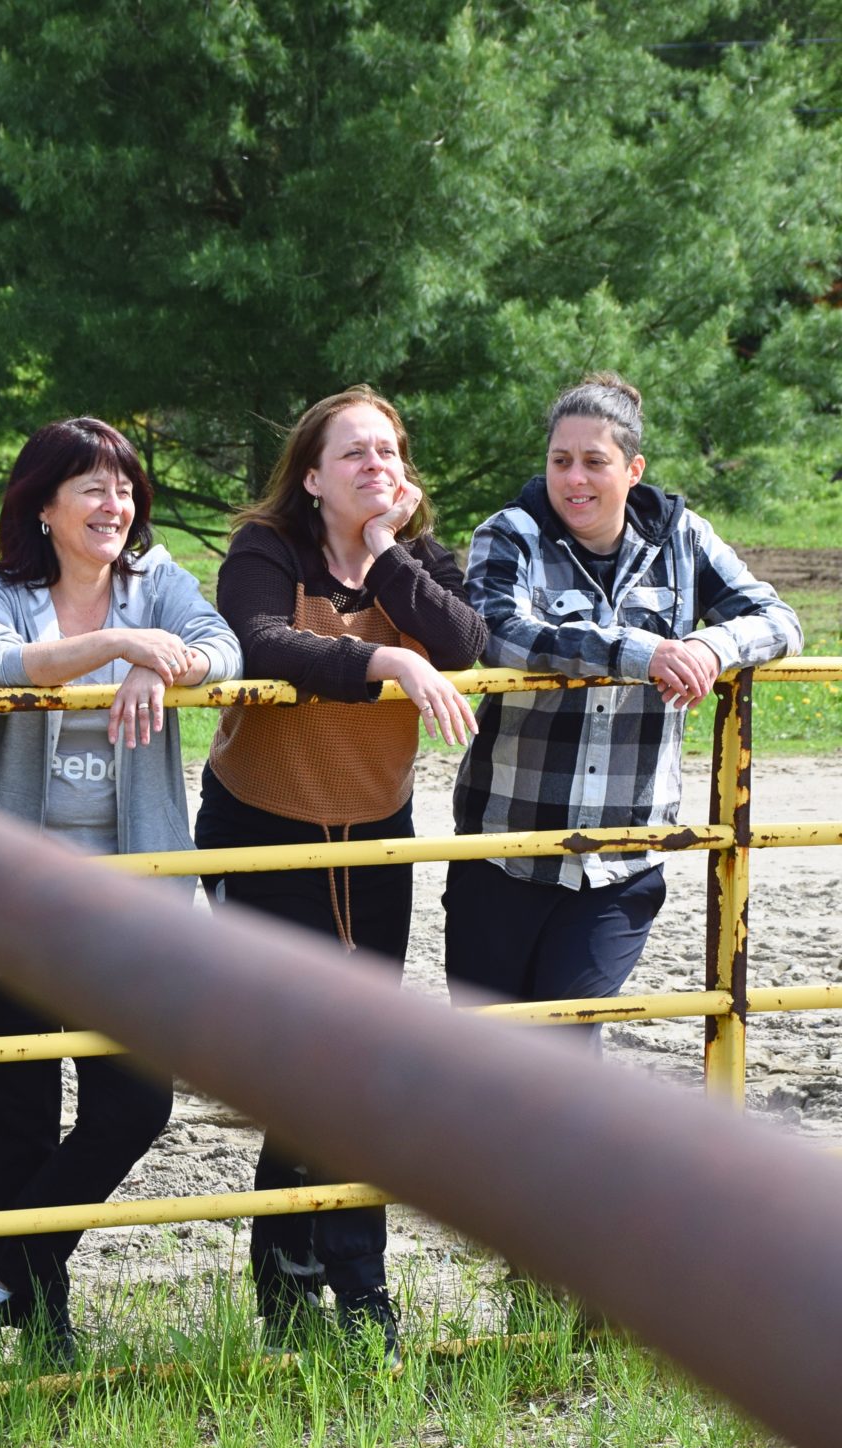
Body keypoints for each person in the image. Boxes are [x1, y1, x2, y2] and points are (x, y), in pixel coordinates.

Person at [0, 416, 243, 1364]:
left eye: (124, 488)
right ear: (44, 506)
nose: (116, 506)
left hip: (128, 900)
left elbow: (224, 650)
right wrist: (122, 646)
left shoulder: (161, 584)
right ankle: (40, 1316)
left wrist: (166, 657)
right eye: (93, 489)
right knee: (16, 1114)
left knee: (133, 1105)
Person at [193, 385, 486, 1363]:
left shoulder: (415, 560)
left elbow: (461, 640)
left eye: (388, 451)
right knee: (305, 1060)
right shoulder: (267, 549)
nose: (374, 466)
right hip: (260, 828)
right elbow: (261, 641)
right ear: (311, 476)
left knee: (354, 1061)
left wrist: (390, 553)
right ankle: (307, 1285)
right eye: (351, 454)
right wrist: (386, 669)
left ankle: (338, 1287)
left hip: (371, 830)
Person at [446, 370, 802, 1039]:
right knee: (484, 1052)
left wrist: (708, 646)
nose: (574, 480)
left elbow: (778, 620)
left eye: (594, 462)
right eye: (560, 461)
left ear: (633, 469)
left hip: (622, 859)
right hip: (505, 851)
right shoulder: (511, 534)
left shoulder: (685, 538)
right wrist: (638, 652)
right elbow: (498, 632)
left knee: (567, 1045)